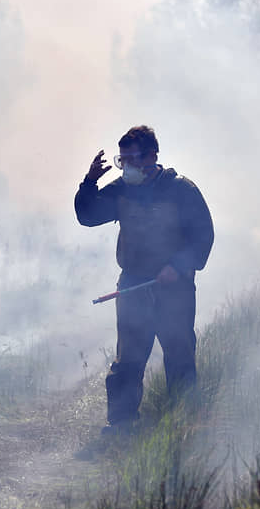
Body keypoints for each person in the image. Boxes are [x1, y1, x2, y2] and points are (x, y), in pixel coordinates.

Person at [75, 125, 214, 435]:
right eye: (121, 160)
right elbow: (87, 216)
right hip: (133, 285)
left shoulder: (181, 191)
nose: (126, 167)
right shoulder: (122, 190)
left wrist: (177, 266)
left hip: (174, 289)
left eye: (132, 159)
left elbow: (203, 235)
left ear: (152, 156)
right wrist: (89, 182)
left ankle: (183, 423)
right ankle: (122, 424)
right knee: (129, 358)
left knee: (178, 353)